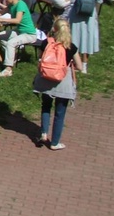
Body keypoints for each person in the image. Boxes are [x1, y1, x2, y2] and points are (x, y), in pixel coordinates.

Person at [35, 18, 84, 150]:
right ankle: (55, 142)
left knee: (46, 106)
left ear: (54, 29)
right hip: (63, 81)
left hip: (46, 79)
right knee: (60, 113)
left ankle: (44, 133)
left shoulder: (46, 42)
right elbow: (80, 66)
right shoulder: (71, 47)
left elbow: (40, 58)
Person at [0, 0, 38, 77]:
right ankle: (12, 56)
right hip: (20, 31)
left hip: (29, 34)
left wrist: (2, 19)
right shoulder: (11, 5)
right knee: (0, 36)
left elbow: (17, 20)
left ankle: (8, 69)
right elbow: (0, 13)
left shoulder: (20, 5)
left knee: (11, 43)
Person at [68, 0, 101, 73]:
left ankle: (75, 63)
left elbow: (73, 1)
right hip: (91, 15)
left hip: (77, 15)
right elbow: (99, 1)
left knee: (75, 38)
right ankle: (85, 65)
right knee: (88, 39)